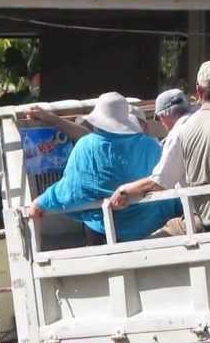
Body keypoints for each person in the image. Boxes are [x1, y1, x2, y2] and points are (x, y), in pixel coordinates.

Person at [111, 63, 210, 233]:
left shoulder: (182, 129)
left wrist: (124, 190)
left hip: (199, 222)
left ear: (199, 91)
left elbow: (160, 182)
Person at [24, 92, 178, 244]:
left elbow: (71, 188)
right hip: (151, 226)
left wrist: (42, 202)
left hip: (104, 230)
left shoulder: (86, 146)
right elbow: (166, 179)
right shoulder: (151, 145)